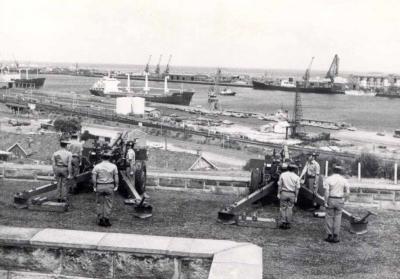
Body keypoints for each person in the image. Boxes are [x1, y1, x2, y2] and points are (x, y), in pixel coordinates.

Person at [323, 165, 350, 243]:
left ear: (333, 170)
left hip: (331, 199)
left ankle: (329, 235)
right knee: (338, 217)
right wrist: (345, 200)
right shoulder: (344, 180)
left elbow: (327, 191)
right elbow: (347, 191)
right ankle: (336, 235)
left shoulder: (328, 179)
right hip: (339, 199)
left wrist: (325, 201)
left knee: (329, 216)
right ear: (340, 171)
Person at [92, 150, 119, 227]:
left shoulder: (97, 166)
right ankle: (106, 219)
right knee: (109, 203)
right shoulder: (114, 166)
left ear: (101, 157)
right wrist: (116, 185)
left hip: (100, 185)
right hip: (109, 186)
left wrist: (94, 186)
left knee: (99, 203)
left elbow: (94, 178)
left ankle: (100, 219)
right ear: (109, 158)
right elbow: (116, 177)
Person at [277, 163, 300, 229]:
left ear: (287, 168)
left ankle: (283, 222)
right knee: (290, 208)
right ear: (294, 169)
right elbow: (297, 188)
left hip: (284, 193)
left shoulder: (283, 175)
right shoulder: (296, 177)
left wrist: (278, 193)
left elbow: (279, 186)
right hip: (292, 194)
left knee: (283, 208)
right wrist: (296, 197)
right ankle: (288, 223)